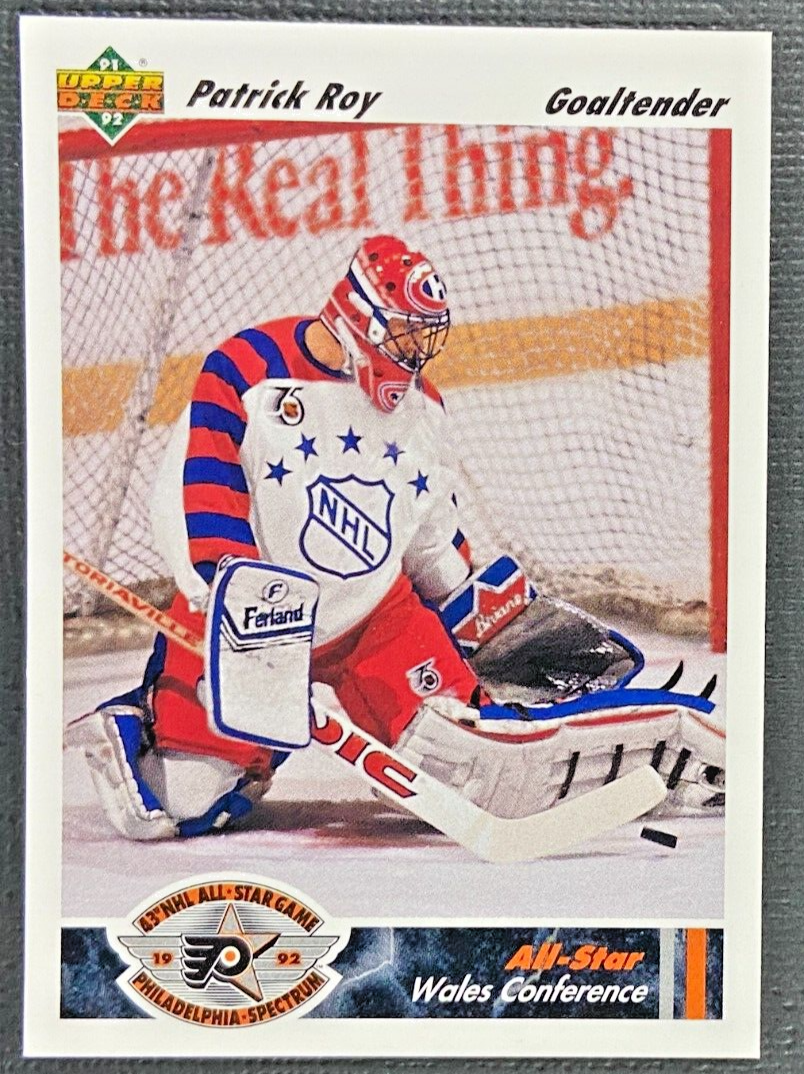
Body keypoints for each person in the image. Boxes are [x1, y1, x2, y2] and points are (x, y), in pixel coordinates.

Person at [70, 235, 725, 841]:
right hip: (249, 616)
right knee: (186, 802)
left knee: (467, 760)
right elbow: (197, 490)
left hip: (375, 623)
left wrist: (472, 609)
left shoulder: (422, 409)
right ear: (355, 318)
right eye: (405, 333)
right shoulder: (248, 368)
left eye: (424, 337)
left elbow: (429, 529)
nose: (414, 353)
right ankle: (145, 725)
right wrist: (228, 597)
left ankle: (654, 740)